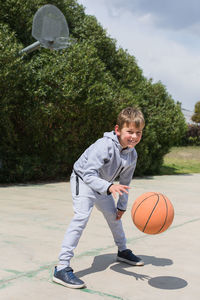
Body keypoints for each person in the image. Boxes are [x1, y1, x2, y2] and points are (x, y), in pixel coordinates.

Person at [53, 107, 145, 289]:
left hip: (104, 185)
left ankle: (122, 250)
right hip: (84, 180)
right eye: (130, 132)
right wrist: (110, 187)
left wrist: (122, 206)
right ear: (118, 130)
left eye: (138, 132)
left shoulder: (132, 154)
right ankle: (61, 267)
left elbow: (126, 181)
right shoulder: (104, 145)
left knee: (115, 217)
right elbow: (88, 174)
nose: (134, 136)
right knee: (81, 218)